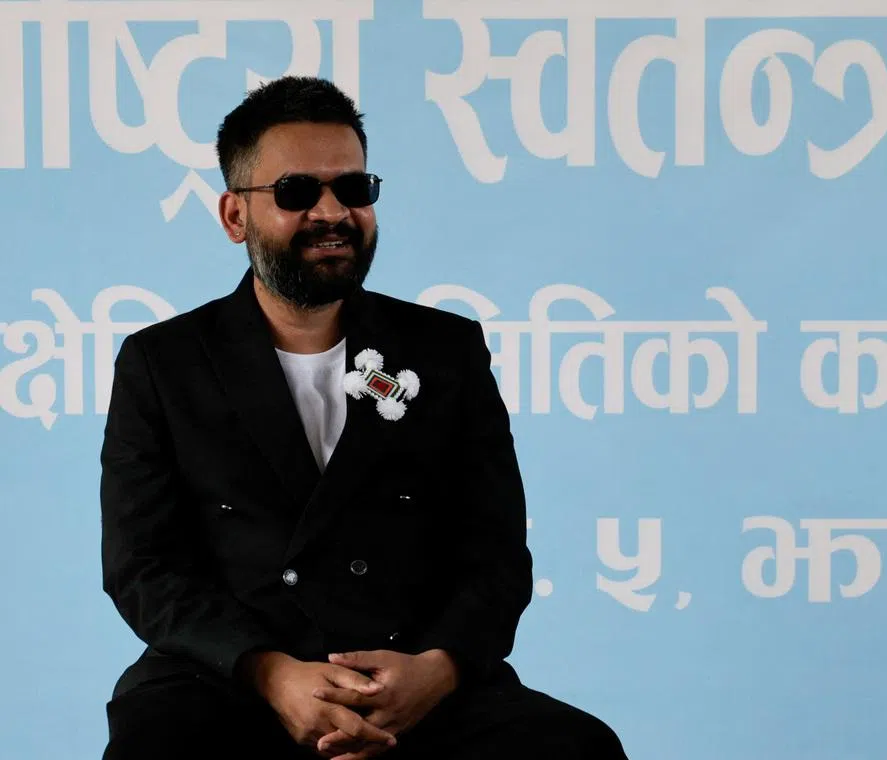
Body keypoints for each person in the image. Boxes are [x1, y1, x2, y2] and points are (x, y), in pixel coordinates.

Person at [99, 75, 628, 760]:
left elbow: (495, 556)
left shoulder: (445, 352)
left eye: (352, 189)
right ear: (235, 216)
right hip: (231, 679)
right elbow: (144, 567)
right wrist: (271, 673)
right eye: (296, 193)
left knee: (575, 748)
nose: (332, 212)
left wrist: (436, 672)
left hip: (412, 676)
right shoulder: (162, 363)